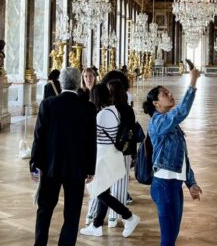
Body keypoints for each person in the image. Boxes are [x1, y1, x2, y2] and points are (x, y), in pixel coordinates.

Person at [31, 67, 97, 246]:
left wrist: (34, 164)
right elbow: (91, 141)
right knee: (72, 214)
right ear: (78, 84)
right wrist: (91, 168)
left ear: (60, 83)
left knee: (44, 210)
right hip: (77, 168)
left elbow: (39, 137)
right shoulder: (89, 108)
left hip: (50, 166)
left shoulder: (48, 104)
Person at [144, 68, 203, 246]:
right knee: (168, 240)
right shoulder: (157, 122)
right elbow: (181, 112)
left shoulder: (172, 124)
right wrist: (192, 82)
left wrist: (191, 183)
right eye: (164, 94)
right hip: (163, 186)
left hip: (174, 185)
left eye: (168, 92)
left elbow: (182, 157)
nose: (170, 94)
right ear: (156, 103)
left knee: (172, 236)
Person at [80, 82, 140, 238]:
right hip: (112, 155)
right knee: (103, 190)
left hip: (102, 156)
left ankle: (129, 216)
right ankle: (97, 225)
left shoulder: (101, 115)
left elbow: (91, 137)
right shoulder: (113, 110)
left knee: (99, 191)